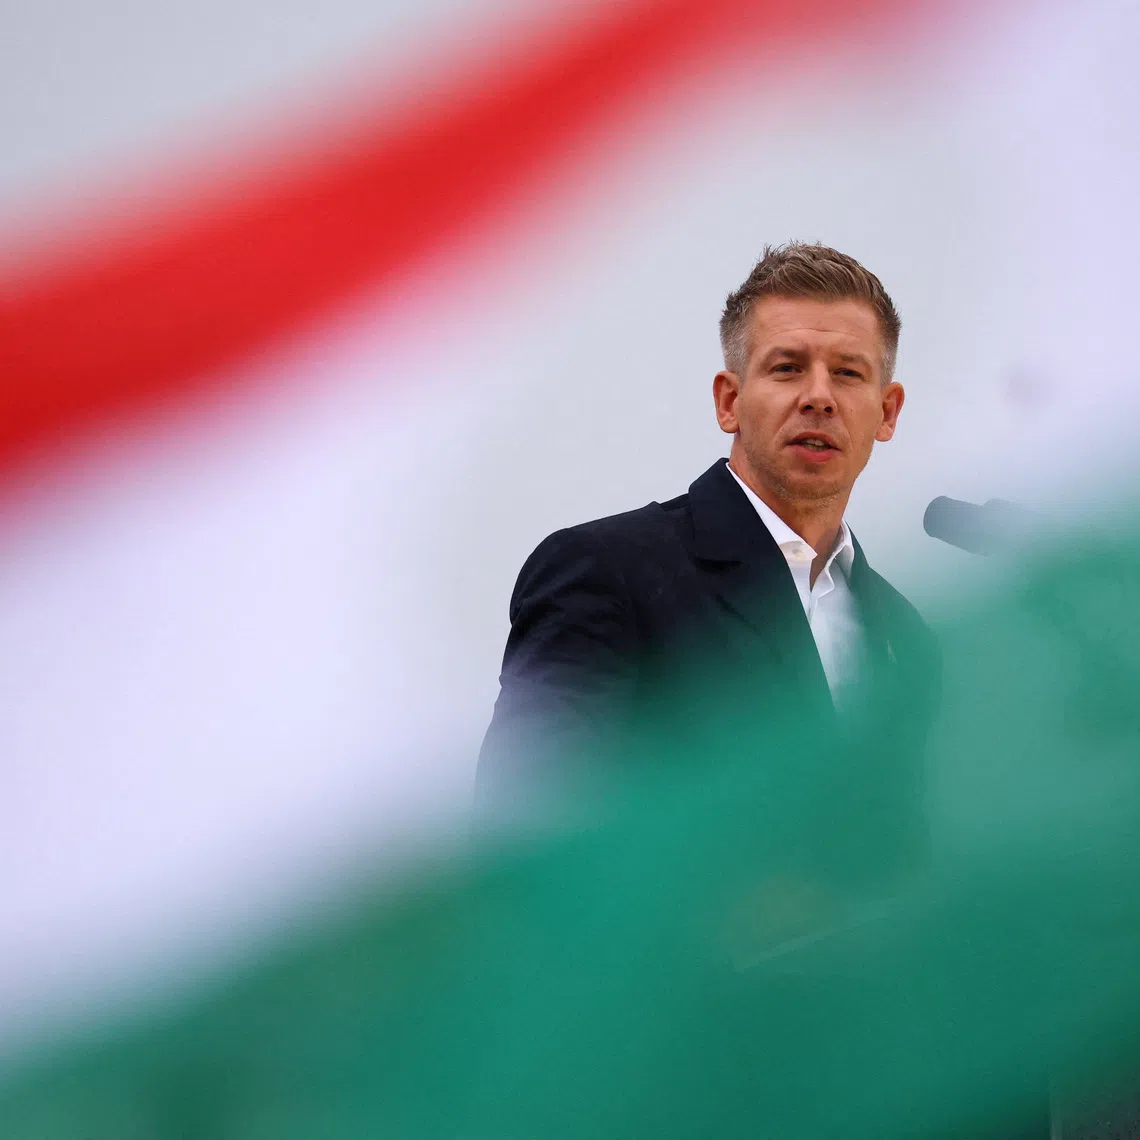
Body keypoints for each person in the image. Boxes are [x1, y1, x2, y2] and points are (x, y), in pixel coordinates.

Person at [476, 242, 940, 856]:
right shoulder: (607, 570)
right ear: (729, 401)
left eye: (849, 373)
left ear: (888, 410)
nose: (819, 397)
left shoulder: (904, 635)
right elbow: (525, 822)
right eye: (787, 368)